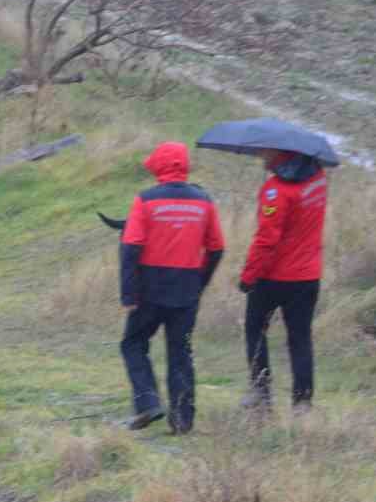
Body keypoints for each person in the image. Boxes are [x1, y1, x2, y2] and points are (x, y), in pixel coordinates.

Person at [118, 142, 226, 434]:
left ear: (158, 166)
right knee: (180, 353)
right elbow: (216, 248)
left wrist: (128, 293)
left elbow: (130, 248)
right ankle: (182, 421)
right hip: (187, 290)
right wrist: (199, 284)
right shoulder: (204, 201)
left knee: (132, 344)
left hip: (149, 289)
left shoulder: (145, 200)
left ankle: (148, 402)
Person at [238, 148, 327, 416]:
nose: (260, 156)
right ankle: (302, 402)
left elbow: (267, 240)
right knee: (300, 338)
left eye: (264, 152)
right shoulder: (318, 179)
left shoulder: (276, 191)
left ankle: (261, 392)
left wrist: (248, 276)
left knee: (255, 329)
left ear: (279, 153)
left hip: (273, 277)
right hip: (308, 276)